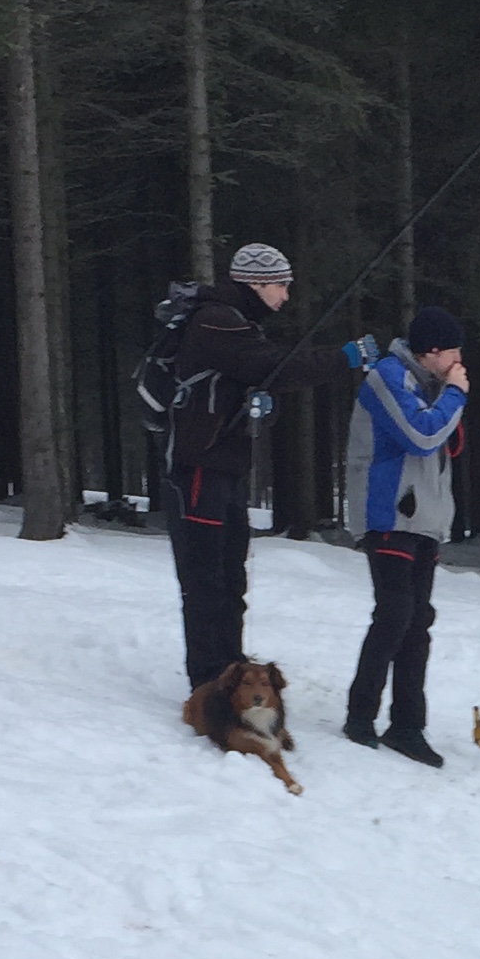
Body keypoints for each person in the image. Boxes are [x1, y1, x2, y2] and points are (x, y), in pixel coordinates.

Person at [162, 241, 327, 690]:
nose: (285, 296)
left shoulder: (238, 322)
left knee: (231, 574)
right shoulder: (219, 321)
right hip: (198, 467)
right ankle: (207, 678)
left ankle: (229, 664)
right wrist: (343, 359)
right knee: (205, 577)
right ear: (256, 284)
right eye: (280, 286)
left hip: (226, 467)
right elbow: (276, 366)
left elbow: (256, 380)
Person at [339, 303, 471, 762]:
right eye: (453, 351)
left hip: (425, 521)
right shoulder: (388, 377)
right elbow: (421, 434)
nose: (459, 361)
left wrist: (449, 398)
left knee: (418, 623)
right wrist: (455, 396)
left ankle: (407, 724)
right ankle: (361, 714)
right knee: (395, 614)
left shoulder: (430, 384)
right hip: (390, 514)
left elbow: (447, 441)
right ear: (432, 351)